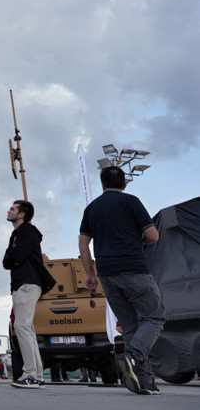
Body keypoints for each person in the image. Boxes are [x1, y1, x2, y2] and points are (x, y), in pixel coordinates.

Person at [79, 165, 165, 395]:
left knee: (129, 326)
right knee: (154, 317)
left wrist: (89, 274)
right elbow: (153, 236)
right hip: (134, 269)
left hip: (107, 274)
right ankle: (133, 355)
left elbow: (83, 243)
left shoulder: (92, 208)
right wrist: (138, 239)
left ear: (102, 184)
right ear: (125, 184)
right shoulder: (131, 201)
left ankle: (145, 382)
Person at [3, 199, 46, 389]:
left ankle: (30, 374)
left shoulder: (27, 231)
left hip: (27, 283)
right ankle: (37, 375)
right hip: (22, 284)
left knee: (21, 326)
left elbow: (16, 256)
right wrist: (12, 257)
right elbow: (6, 262)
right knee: (27, 328)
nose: (8, 211)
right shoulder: (17, 234)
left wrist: (13, 257)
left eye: (12, 209)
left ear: (21, 214)